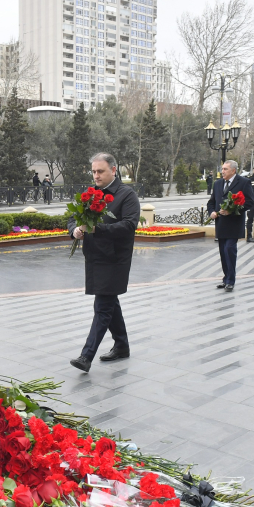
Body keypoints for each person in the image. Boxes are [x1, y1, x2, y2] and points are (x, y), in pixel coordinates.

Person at [67, 152, 140, 373]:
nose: (96, 175)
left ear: (113, 170)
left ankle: (86, 356)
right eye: (94, 171)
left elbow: (129, 225)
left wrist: (97, 229)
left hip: (115, 259)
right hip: (94, 257)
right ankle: (122, 346)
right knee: (109, 302)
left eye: (100, 171)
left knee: (102, 306)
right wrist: (75, 230)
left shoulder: (127, 195)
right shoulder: (90, 194)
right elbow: (73, 218)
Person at [207, 160, 254, 292]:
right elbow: (211, 202)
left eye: (225, 169)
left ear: (233, 170)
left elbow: (249, 202)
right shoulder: (218, 183)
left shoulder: (244, 182)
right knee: (223, 252)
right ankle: (226, 278)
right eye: (222, 169)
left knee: (229, 250)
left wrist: (231, 211)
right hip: (221, 224)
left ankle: (230, 281)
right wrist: (212, 212)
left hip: (234, 224)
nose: (222, 171)